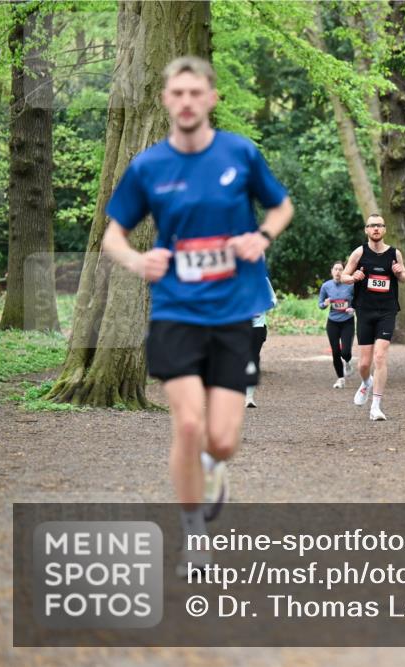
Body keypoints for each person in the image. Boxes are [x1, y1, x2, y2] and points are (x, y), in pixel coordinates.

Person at [101, 56, 293, 576]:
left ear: (210, 98)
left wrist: (262, 236)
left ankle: (213, 469)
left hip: (234, 313)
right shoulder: (149, 167)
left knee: (222, 439)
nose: (186, 101)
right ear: (167, 99)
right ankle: (194, 537)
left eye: (195, 93)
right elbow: (111, 235)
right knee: (187, 424)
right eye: (177, 93)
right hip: (176, 311)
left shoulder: (240, 153)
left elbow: (280, 207)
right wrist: (138, 259)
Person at [341, 213, 405, 421]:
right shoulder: (359, 252)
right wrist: (353, 278)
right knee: (363, 364)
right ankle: (366, 383)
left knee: (380, 357)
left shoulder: (394, 254)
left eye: (379, 225)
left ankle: (376, 406)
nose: (376, 229)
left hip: (387, 310)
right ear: (366, 230)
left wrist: (399, 272)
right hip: (364, 311)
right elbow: (343, 276)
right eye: (372, 226)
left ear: (385, 229)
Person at [318, 261, 355, 388]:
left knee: (345, 352)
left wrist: (353, 308)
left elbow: (358, 301)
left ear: (344, 271)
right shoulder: (326, 286)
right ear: (332, 271)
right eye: (335, 269)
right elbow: (320, 304)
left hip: (347, 322)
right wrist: (325, 303)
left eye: (340, 269)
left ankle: (348, 361)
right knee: (335, 351)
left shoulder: (350, 285)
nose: (338, 272)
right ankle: (340, 379)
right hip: (332, 323)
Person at [246, 275, 277, 407]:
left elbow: (274, 300)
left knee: (252, 359)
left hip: (258, 327)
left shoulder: (262, 279)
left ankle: (249, 398)